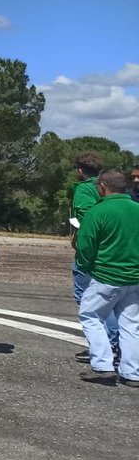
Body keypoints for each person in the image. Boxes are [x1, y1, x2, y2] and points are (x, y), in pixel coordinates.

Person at [74, 170, 139, 387]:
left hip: (105, 275)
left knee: (91, 316)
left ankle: (103, 365)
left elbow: (85, 245)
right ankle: (132, 372)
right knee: (131, 323)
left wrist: (85, 266)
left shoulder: (98, 211)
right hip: (134, 277)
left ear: (103, 186)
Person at [70, 152, 119, 364]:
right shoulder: (108, 189)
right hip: (112, 248)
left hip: (91, 248)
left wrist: (79, 238)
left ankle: (108, 345)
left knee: (89, 298)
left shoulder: (84, 189)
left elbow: (86, 216)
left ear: (80, 170)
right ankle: (117, 344)